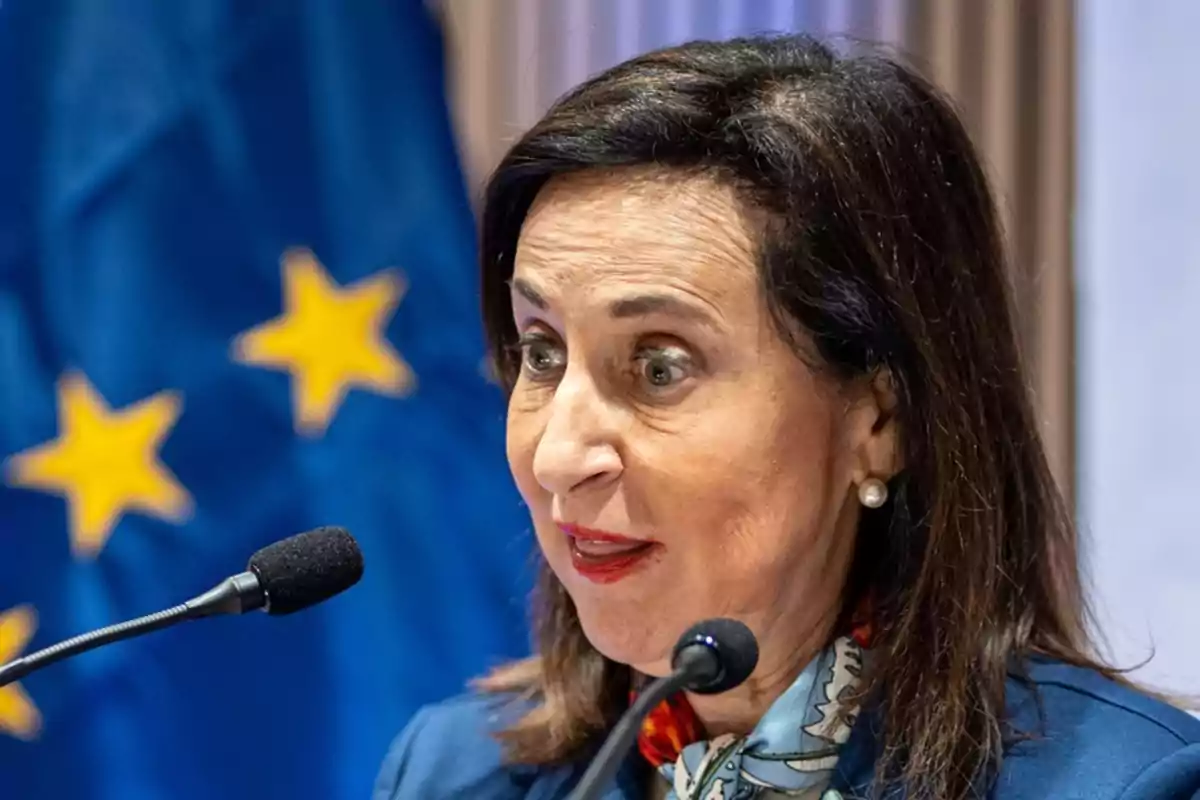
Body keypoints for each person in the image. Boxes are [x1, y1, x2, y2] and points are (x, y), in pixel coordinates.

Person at [373, 34, 1200, 800]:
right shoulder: (451, 773)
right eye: (543, 354)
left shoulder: (1126, 785)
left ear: (883, 422)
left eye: (660, 367)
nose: (558, 455)